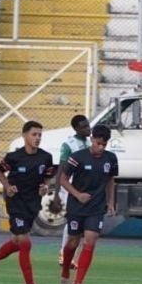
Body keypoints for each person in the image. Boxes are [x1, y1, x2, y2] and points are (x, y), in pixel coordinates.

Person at [0, 119, 55, 284]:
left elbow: (48, 177)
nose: (37, 138)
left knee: (16, 242)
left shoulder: (45, 157)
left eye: (40, 135)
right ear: (24, 135)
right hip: (16, 203)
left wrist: (45, 186)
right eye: (34, 134)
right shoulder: (14, 157)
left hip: (33, 203)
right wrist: (7, 185)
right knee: (25, 243)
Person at [58, 124, 119, 284]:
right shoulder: (77, 157)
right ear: (92, 139)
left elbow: (110, 180)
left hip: (96, 207)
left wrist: (111, 202)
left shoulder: (111, 159)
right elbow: (63, 179)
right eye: (98, 143)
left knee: (90, 240)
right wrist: (77, 194)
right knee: (72, 243)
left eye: (104, 145)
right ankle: (64, 274)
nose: (100, 147)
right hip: (77, 206)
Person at [49, 114, 92, 269]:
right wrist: (56, 195)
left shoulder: (89, 144)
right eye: (84, 126)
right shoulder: (69, 144)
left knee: (82, 224)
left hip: (86, 189)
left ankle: (73, 257)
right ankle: (63, 253)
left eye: (88, 125)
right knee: (73, 221)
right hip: (71, 188)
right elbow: (61, 168)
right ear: (76, 128)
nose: (88, 128)